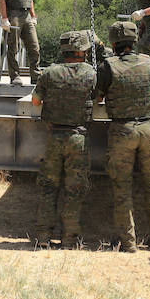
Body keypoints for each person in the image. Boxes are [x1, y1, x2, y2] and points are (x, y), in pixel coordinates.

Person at [97, 21, 150, 253]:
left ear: (114, 43)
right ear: (135, 41)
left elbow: (97, 97)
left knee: (122, 187)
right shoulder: (149, 62)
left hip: (122, 131)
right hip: (149, 129)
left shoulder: (108, 65)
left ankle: (128, 243)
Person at [31, 31, 96, 249]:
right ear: (80, 52)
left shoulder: (49, 72)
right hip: (78, 138)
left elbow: (35, 102)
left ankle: (42, 237)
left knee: (49, 187)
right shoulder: (90, 73)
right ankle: (70, 238)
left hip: (54, 137)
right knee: (75, 189)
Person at [0, 0, 40, 86]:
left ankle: (36, 76)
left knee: (34, 47)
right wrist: (5, 18)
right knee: (13, 47)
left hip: (27, 15)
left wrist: (33, 15)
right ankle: (15, 76)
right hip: (14, 14)